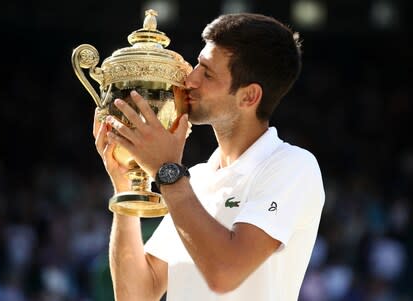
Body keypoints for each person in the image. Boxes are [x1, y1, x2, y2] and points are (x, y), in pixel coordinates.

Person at [93, 12, 325, 301]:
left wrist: (167, 171)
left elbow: (224, 274)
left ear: (249, 97)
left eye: (207, 73)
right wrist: (126, 188)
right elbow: (137, 295)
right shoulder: (196, 179)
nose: (190, 80)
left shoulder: (292, 167)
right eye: (197, 65)